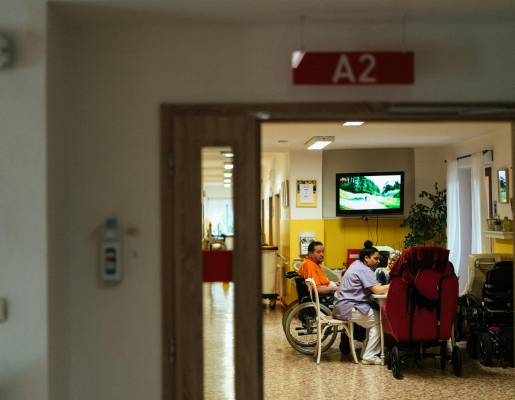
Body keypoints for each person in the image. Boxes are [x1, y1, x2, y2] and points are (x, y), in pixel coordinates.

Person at [332, 240, 389, 365]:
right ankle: (369, 355)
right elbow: (377, 290)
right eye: (376, 259)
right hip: (348, 307)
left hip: (341, 305)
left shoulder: (357, 263)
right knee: (380, 321)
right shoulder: (365, 270)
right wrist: (393, 285)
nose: (378, 261)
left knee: (374, 319)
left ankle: (366, 353)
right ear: (366, 258)